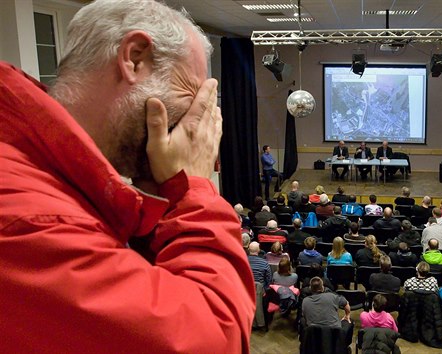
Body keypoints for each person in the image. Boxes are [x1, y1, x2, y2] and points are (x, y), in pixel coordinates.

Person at [0, 1, 255, 352]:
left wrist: (160, 191)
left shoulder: (49, 172)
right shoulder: (29, 216)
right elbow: (211, 337)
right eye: (194, 95)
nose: (201, 123)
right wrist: (196, 191)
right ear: (134, 58)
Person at [301, 277, 352, 343]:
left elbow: (305, 316)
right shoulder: (332, 296)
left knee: (302, 321)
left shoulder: (305, 301)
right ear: (322, 288)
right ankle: (344, 345)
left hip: (314, 335)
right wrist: (347, 315)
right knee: (349, 322)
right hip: (335, 334)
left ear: (310, 289)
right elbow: (346, 303)